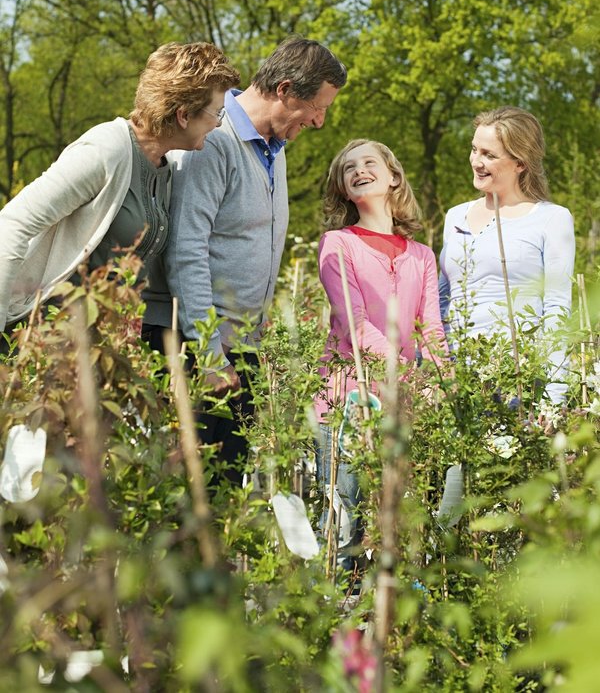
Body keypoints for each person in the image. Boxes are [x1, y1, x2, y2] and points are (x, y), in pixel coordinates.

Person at [143, 35, 347, 484]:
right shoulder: (214, 141)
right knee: (185, 495)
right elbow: (186, 249)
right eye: (319, 107)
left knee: (224, 496)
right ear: (286, 90)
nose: (318, 121)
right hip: (195, 347)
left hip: (240, 352)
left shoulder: (273, 150)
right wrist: (210, 351)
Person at [0, 41, 240, 338]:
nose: (218, 124)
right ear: (183, 114)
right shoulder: (106, 150)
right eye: (216, 113)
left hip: (98, 349)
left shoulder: (164, 166)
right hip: (43, 340)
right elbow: (13, 224)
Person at [315, 139, 447, 574]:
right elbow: (354, 325)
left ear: (393, 176)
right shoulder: (337, 244)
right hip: (346, 402)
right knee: (346, 523)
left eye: (369, 162)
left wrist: (443, 383)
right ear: (343, 188)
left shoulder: (422, 255)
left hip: (401, 404)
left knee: (396, 524)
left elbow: (430, 329)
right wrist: (410, 374)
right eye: (348, 168)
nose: (358, 170)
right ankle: (332, 624)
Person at [438, 106, 576, 404]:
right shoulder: (455, 216)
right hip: (456, 376)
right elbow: (442, 298)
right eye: (474, 150)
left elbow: (556, 308)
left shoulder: (551, 219)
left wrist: (555, 397)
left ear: (520, 163)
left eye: (489, 155)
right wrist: (434, 370)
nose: (477, 161)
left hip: (514, 377)